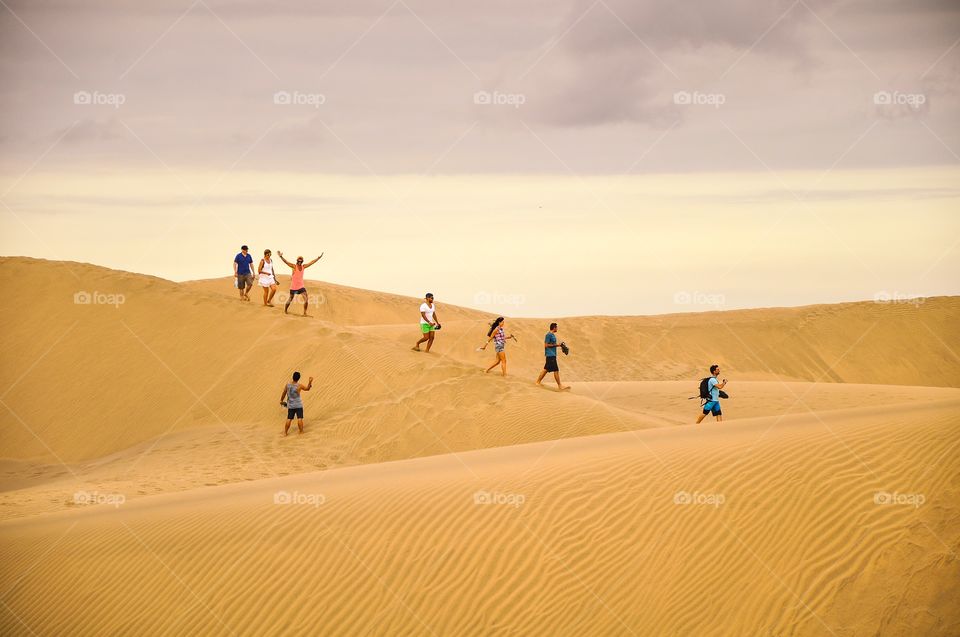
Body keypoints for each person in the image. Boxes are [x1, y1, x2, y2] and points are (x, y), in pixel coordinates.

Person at [278, 251, 323, 316]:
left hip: (301, 287)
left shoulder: (303, 267)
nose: (299, 262)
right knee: (290, 299)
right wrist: (281, 256)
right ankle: (285, 310)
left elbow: (311, 262)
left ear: (302, 261)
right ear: (297, 261)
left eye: (301, 261)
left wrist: (318, 258)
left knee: (306, 299)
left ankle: (305, 313)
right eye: (298, 261)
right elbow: (286, 262)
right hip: (294, 287)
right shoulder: (294, 266)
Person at [536, 322, 569, 391]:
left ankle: (538, 382)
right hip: (550, 355)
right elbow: (546, 345)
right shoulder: (548, 335)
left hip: (552, 355)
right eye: (556, 327)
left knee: (546, 369)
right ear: (554, 328)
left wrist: (559, 345)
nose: (557, 328)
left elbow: (552, 344)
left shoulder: (553, 335)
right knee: (555, 370)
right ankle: (560, 386)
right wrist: (557, 345)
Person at [280, 371, 314, 435]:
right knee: (299, 418)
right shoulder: (299, 386)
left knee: (289, 419)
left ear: (293, 377)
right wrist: (310, 382)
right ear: (298, 378)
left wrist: (281, 400)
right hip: (298, 405)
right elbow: (307, 389)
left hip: (291, 405)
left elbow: (284, 393)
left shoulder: (288, 385)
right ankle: (301, 432)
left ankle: (285, 432)